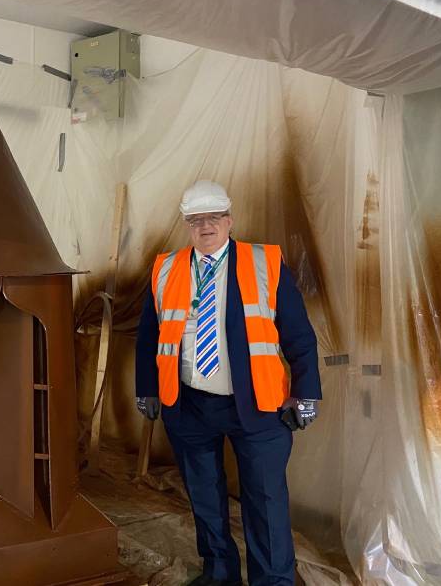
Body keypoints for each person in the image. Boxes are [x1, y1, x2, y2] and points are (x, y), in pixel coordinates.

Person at [134, 180, 321, 586]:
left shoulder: (264, 262)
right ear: (187, 224)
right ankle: (219, 574)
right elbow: (150, 334)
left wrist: (306, 393)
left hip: (258, 404)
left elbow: (299, 334)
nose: (205, 227)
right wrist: (146, 387)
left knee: (266, 500)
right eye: (196, 220)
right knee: (204, 496)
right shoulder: (166, 268)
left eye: (214, 217)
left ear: (229, 220)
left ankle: (272, 580)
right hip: (189, 404)